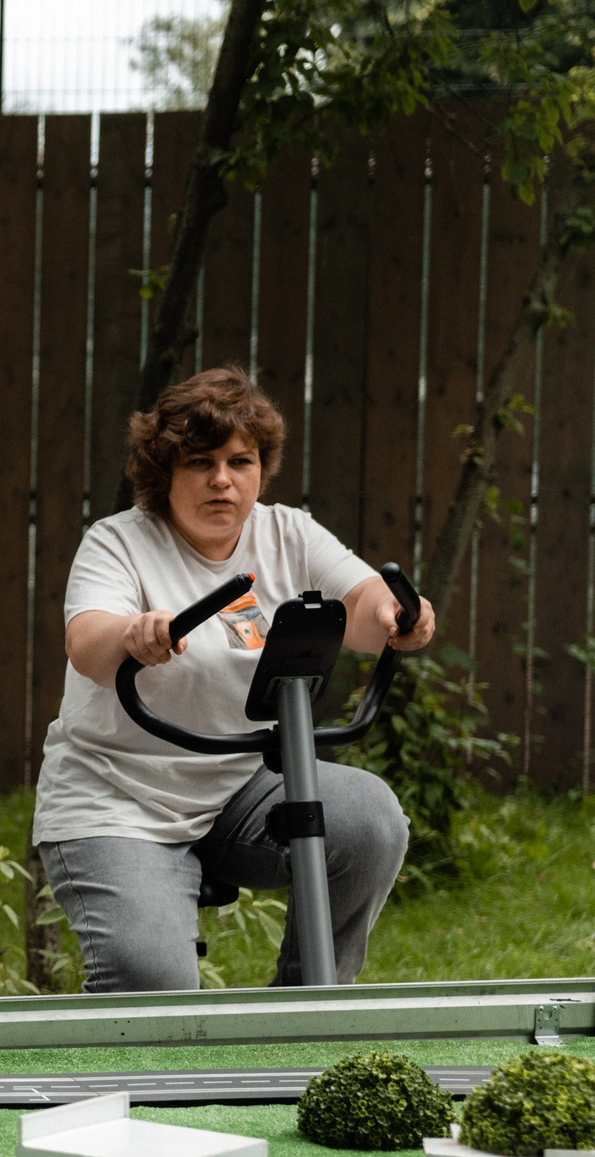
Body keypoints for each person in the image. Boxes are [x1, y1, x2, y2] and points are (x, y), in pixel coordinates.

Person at [35, 366, 434, 993]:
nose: (222, 480)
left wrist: (394, 615)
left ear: (260, 469)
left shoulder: (288, 533)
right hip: (119, 798)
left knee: (371, 821)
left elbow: (361, 605)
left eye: (240, 462)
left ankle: (306, 1010)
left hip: (239, 790)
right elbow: (87, 645)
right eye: (200, 462)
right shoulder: (118, 542)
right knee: (154, 986)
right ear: (165, 470)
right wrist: (133, 635)